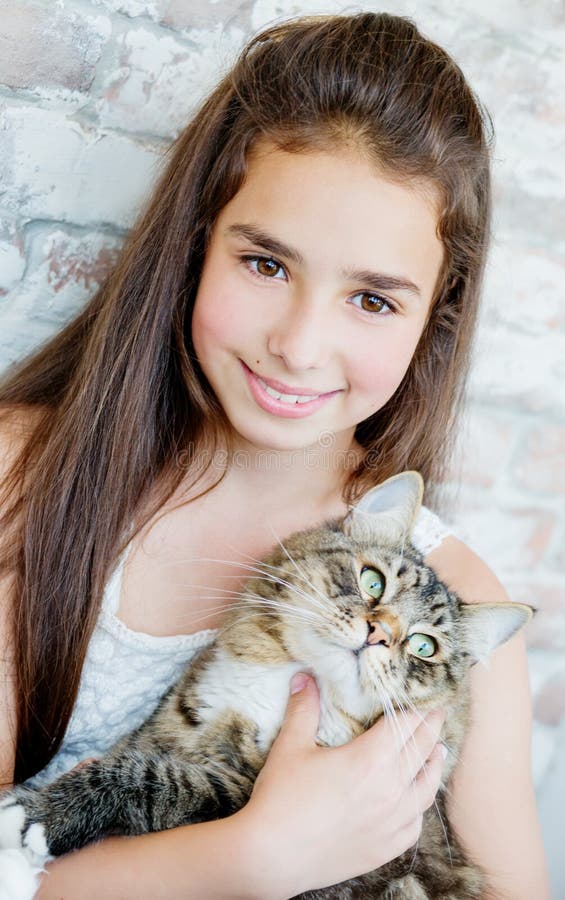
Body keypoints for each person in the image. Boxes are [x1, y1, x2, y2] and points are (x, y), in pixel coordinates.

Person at [0, 12, 549, 899]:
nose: (298, 345)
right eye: (265, 264)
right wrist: (248, 860)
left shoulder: (458, 604)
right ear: (194, 245)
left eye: (372, 300)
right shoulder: (25, 477)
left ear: (432, 322)